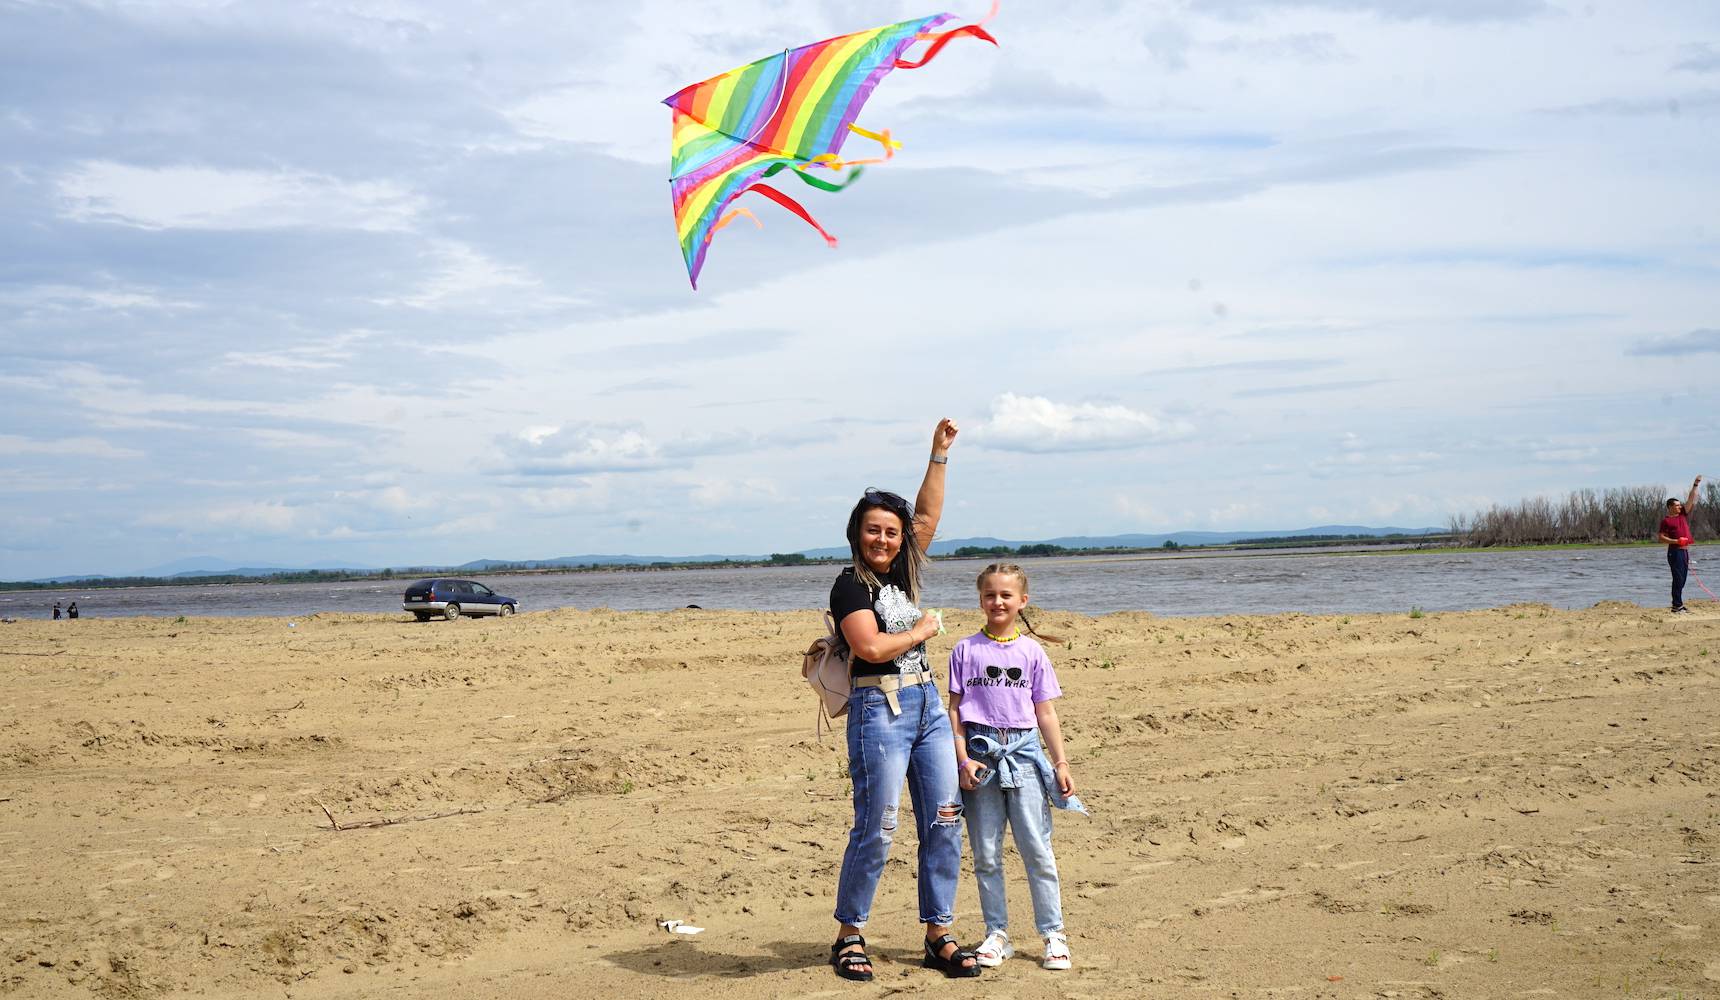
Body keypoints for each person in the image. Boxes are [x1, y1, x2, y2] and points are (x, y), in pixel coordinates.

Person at [827, 418, 981, 982]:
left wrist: (938, 455)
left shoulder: (903, 573)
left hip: (929, 711)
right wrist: (923, 630)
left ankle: (938, 932)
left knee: (944, 818)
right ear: (857, 534)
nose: (885, 540)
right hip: (879, 712)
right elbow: (868, 646)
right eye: (874, 531)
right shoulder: (850, 585)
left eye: (892, 533)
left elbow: (927, 516)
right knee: (878, 826)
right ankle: (850, 934)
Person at [948, 563, 1085, 972]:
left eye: (1006, 595)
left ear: (1022, 600)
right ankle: (997, 933)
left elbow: (1045, 712)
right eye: (990, 595)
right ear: (980, 600)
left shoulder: (1032, 652)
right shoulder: (965, 650)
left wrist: (1059, 762)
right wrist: (962, 759)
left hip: (1024, 757)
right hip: (980, 759)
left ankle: (1053, 935)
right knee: (986, 853)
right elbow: (954, 710)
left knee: (1037, 850)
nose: (998, 602)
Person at [1658, 474, 1703, 613]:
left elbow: (1691, 498)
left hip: (1684, 551)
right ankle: (1677, 605)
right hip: (1675, 552)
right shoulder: (1666, 521)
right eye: (1677, 506)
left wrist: (1695, 484)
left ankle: (1678, 604)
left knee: (1682, 579)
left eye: (1679, 505)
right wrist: (1676, 541)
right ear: (1670, 507)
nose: (1679, 507)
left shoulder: (1683, 514)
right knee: (1678, 578)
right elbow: (1661, 538)